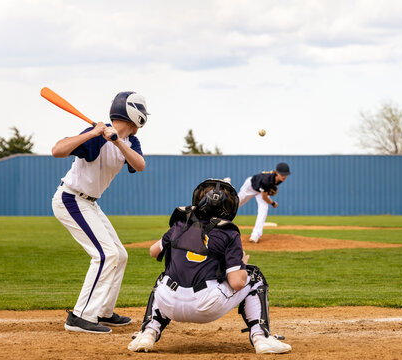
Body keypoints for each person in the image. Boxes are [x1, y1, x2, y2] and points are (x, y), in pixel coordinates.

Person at [127, 178, 291, 354]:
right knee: (255, 276)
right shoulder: (228, 231)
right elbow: (236, 283)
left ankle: (147, 333)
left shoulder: (181, 223)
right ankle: (262, 338)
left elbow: (153, 251)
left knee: (163, 279)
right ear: (229, 207)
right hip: (206, 305)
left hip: (168, 302)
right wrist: (241, 263)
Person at [51, 91, 149, 334]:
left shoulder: (129, 142)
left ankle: (104, 311)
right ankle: (80, 316)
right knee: (106, 255)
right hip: (71, 198)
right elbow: (57, 150)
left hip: (91, 203)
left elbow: (140, 165)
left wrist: (115, 140)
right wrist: (94, 133)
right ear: (134, 115)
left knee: (120, 255)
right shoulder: (96, 134)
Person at [237, 162, 291, 243]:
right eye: (282, 174)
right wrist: (272, 203)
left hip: (260, 190)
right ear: (276, 172)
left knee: (264, 209)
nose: (284, 176)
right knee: (236, 203)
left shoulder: (279, 179)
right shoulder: (267, 180)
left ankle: (255, 235)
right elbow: (264, 197)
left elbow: (264, 192)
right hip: (250, 186)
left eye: (286, 174)